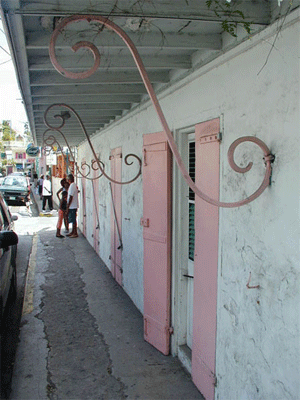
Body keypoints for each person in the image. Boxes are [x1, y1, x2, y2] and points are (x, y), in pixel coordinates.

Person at [66, 173, 79, 238]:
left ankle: (75, 233)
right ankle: (73, 231)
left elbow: (70, 196)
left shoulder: (72, 186)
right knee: (72, 219)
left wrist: (68, 206)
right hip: (73, 205)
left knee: (73, 220)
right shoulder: (73, 185)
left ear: (69, 179)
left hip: (72, 206)